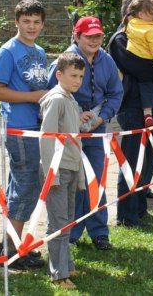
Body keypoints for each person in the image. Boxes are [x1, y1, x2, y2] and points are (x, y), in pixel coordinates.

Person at [48, 16, 122, 251]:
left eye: (98, 36)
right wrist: (74, 114)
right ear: (76, 36)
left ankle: (99, 232)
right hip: (68, 134)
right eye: (88, 36)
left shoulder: (107, 61)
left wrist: (101, 117)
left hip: (96, 130)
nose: (94, 40)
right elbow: (52, 92)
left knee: (95, 180)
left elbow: (116, 93)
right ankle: (71, 232)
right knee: (73, 183)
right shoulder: (65, 60)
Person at [0, 0, 49, 269]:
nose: (31, 26)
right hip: (17, 127)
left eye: (36, 22)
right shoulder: (8, 51)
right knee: (26, 187)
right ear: (16, 22)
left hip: (36, 127)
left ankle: (9, 243)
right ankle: (12, 254)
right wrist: (31, 97)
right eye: (26, 21)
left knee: (24, 186)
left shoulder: (40, 51)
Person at [108, 0, 153, 227]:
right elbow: (143, 69)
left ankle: (140, 209)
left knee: (146, 161)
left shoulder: (148, 36)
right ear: (130, 14)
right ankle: (126, 215)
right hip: (131, 106)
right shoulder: (120, 40)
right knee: (131, 161)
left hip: (151, 103)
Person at [39, 52, 86, 289]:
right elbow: (47, 139)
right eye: (73, 75)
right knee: (58, 223)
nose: (77, 80)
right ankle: (58, 274)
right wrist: (52, 174)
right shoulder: (56, 99)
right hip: (57, 170)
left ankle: (66, 264)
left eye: (80, 76)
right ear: (59, 75)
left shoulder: (70, 98)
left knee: (67, 220)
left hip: (71, 166)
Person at [124, 0, 153, 127]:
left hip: (134, 55)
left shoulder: (131, 24)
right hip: (148, 59)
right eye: (151, 13)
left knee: (145, 84)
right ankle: (149, 112)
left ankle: (147, 112)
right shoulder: (151, 30)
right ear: (141, 14)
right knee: (149, 83)